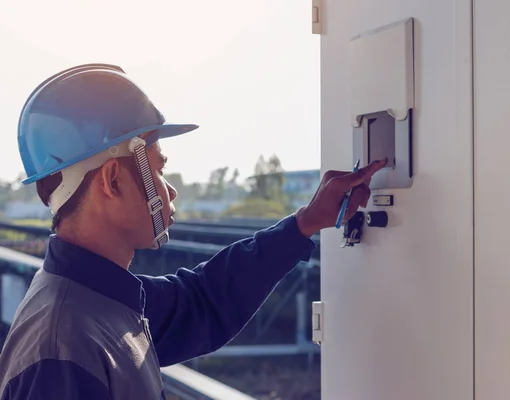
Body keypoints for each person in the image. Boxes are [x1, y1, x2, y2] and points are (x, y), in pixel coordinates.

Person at [0, 63, 386, 400]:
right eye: (158, 169)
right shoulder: (62, 351)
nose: (169, 190)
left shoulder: (98, 300)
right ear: (113, 180)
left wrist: (304, 223)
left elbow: (203, 300)